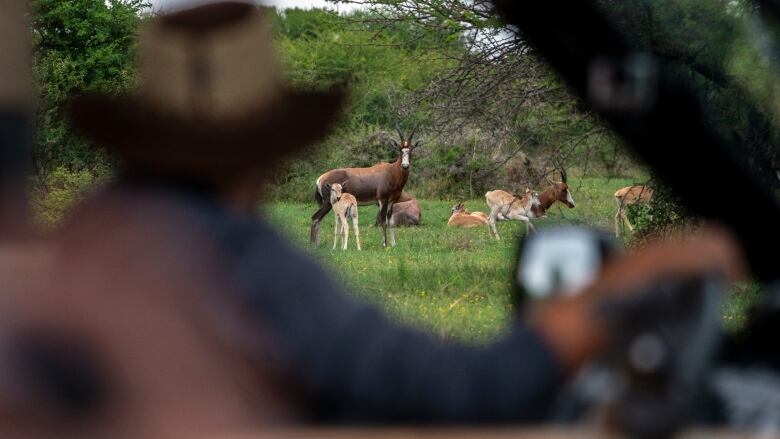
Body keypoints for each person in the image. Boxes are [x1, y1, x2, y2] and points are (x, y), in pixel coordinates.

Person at [5, 1, 743, 433]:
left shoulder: (86, 239)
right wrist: (626, 283)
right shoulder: (242, 259)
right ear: (265, 144)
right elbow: (463, 389)